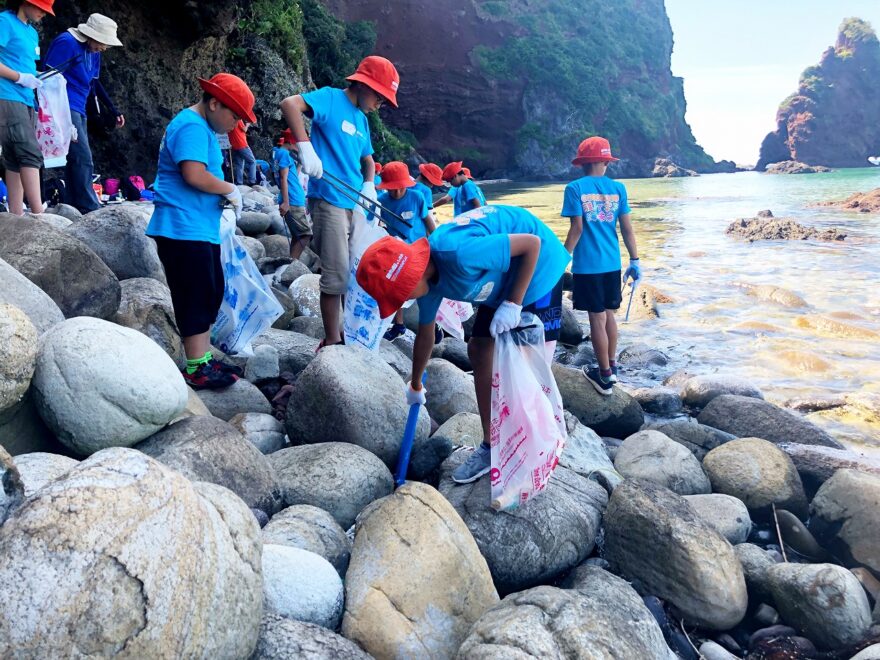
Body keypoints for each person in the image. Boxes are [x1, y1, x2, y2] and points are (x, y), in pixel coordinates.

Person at [356, 204, 570, 483]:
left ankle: (539, 445)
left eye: (400, 296)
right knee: (479, 350)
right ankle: (491, 446)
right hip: (501, 282)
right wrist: (416, 384)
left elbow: (532, 244)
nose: (402, 304)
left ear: (413, 276)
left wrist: (513, 304)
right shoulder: (429, 283)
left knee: (529, 366)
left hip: (538, 269)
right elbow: (425, 334)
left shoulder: (459, 253)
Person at [280, 55, 399, 348]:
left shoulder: (362, 120)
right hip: (328, 201)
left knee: (354, 270)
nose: (379, 105)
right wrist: (306, 147)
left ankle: (347, 331)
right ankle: (333, 341)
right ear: (362, 84)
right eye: (379, 97)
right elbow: (289, 104)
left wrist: (370, 184)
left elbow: (368, 160)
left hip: (354, 204)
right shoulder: (331, 99)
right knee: (335, 273)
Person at [145, 73, 254, 389]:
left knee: (208, 290)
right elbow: (193, 174)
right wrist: (230, 189)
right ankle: (195, 367)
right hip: (182, 227)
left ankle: (202, 359)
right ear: (214, 102)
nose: (235, 124)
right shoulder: (191, 126)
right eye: (234, 115)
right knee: (194, 293)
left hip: (198, 227)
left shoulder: (202, 127)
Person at [562, 136, 640, 395]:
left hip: (588, 266)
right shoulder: (618, 188)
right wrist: (635, 260)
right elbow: (627, 229)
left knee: (596, 317)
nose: (607, 164)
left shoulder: (575, 188)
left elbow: (577, 229)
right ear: (601, 160)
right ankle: (612, 367)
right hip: (612, 263)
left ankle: (604, 376)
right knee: (608, 314)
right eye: (606, 160)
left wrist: (562, 258)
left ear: (584, 162)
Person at [45, 13, 124, 214]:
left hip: (79, 106)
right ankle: (89, 205)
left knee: (75, 157)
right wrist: (48, 110)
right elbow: (49, 75)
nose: (104, 48)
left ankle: (72, 204)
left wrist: (113, 110)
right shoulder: (67, 42)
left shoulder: (94, 50)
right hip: (64, 104)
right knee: (83, 157)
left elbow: (94, 82)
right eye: (103, 42)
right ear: (91, 35)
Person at [0, 0, 53, 216]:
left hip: (26, 98)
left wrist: (35, 77)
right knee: (30, 152)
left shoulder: (32, 33)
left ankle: (16, 213)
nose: (43, 13)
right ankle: (38, 212)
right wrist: (19, 77)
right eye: (40, 7)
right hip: (6, 95)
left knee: (13, 156)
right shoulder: (4, 21)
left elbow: (26, 63)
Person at [375, 160, 437, 341]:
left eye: (400, 188)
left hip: (420, 249)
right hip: (398, 252)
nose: (397, 192)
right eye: (392, 188)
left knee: (427, 286)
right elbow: (376, 224)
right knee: (396, 286)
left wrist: (436, 241)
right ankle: (399, 324)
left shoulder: (417, 197)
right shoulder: (381, 201)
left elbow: (428, 221)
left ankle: (435, 324)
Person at [274, 130, 311, 259]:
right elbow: (283, 178)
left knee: (298, 235)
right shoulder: (284, 154)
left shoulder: (282, 153)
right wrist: (286, 202)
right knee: (305, 235)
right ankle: (291, 263)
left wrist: (300, 162)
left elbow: (293, 175)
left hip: (294, 198)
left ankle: (290, 262)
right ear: (290, 142)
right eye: (297, 144)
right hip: (293, 200)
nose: (299, 147)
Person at [229, 119, 257, 185]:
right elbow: (244, 129)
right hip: (242, 144)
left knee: (239, 164)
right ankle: (252, 181)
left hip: (234, 146)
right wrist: (247, 124)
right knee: (252, 162)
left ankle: (239, 182)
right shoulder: (238, 120)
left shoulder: (229, 120)